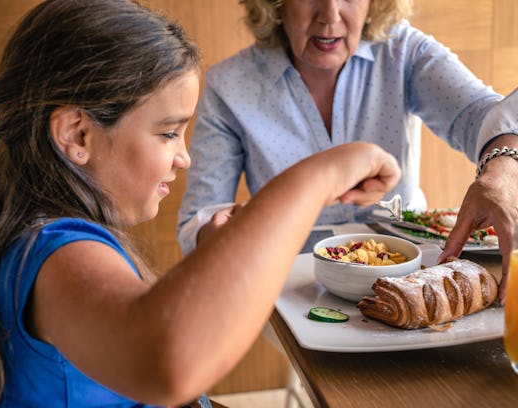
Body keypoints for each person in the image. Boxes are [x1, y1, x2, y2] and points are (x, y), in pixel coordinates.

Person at [0, 0, 400, 408]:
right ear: (77, 135)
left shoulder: (41, 233)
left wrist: (225, 251)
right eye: (168, 133)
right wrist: (316, 178)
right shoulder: (55, 255)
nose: (183, 157)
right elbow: (172, 364)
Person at [177, 0, 518, 300]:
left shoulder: (404, 51)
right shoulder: (228, 85)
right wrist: (223, 230)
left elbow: (485, 116)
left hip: (410, 273)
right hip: (290, 282)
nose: (330, 15)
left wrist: (503, 168)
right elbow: (197, 223)